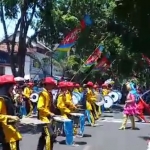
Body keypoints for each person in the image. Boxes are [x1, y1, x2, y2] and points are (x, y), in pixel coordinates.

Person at [0, 75, 22, 150]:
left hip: (12, 131)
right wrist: (11, 117)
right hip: (6, 133)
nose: (12, 89)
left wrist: (16, 115)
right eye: (11, 87)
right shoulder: (1, 99)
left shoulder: (8, 98)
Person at [37, 77, 56, 150]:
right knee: (50, 135)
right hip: (44, 118)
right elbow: (40, 107)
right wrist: (49, 113)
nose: (52, 86)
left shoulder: (48, 93)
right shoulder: (43, 94)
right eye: (51, 85)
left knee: (44, 135)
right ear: (46, 85)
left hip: (48, 117)